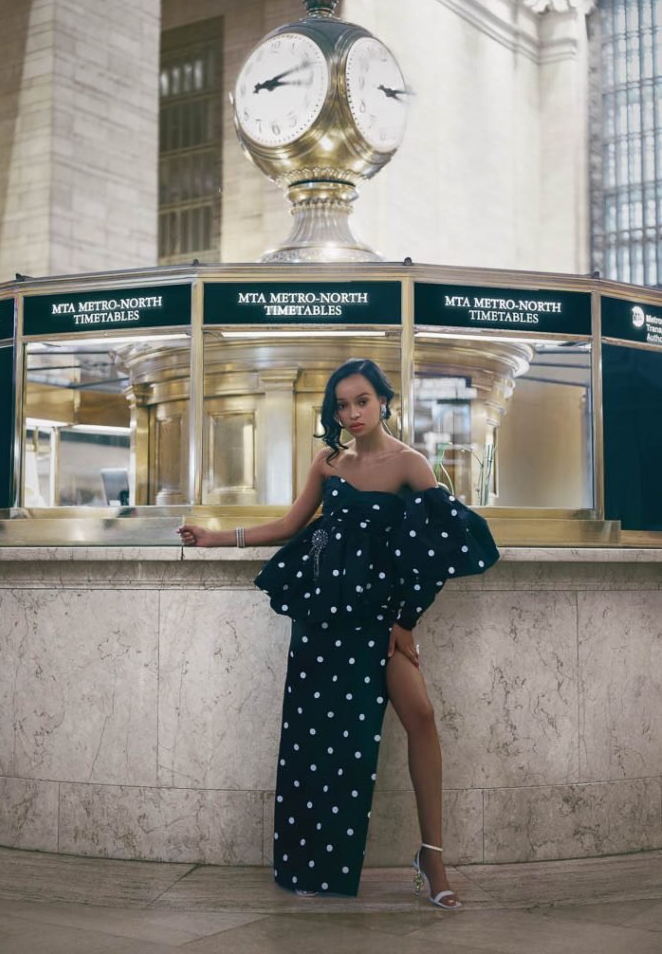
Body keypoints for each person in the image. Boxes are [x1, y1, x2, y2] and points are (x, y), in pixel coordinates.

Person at [178, 357, 499, 909]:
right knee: (315, 742)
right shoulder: (327, 463)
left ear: (382, 402)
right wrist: (216, 537)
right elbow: (288, 525)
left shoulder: (411, 464)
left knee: (420, 717)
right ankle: (311, 861)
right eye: (342, 405)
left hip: (379, 619)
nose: (351, 413)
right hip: (323, 618)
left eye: (361, 401)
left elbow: (441, 548)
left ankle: (433, 857)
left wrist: (405, 622)